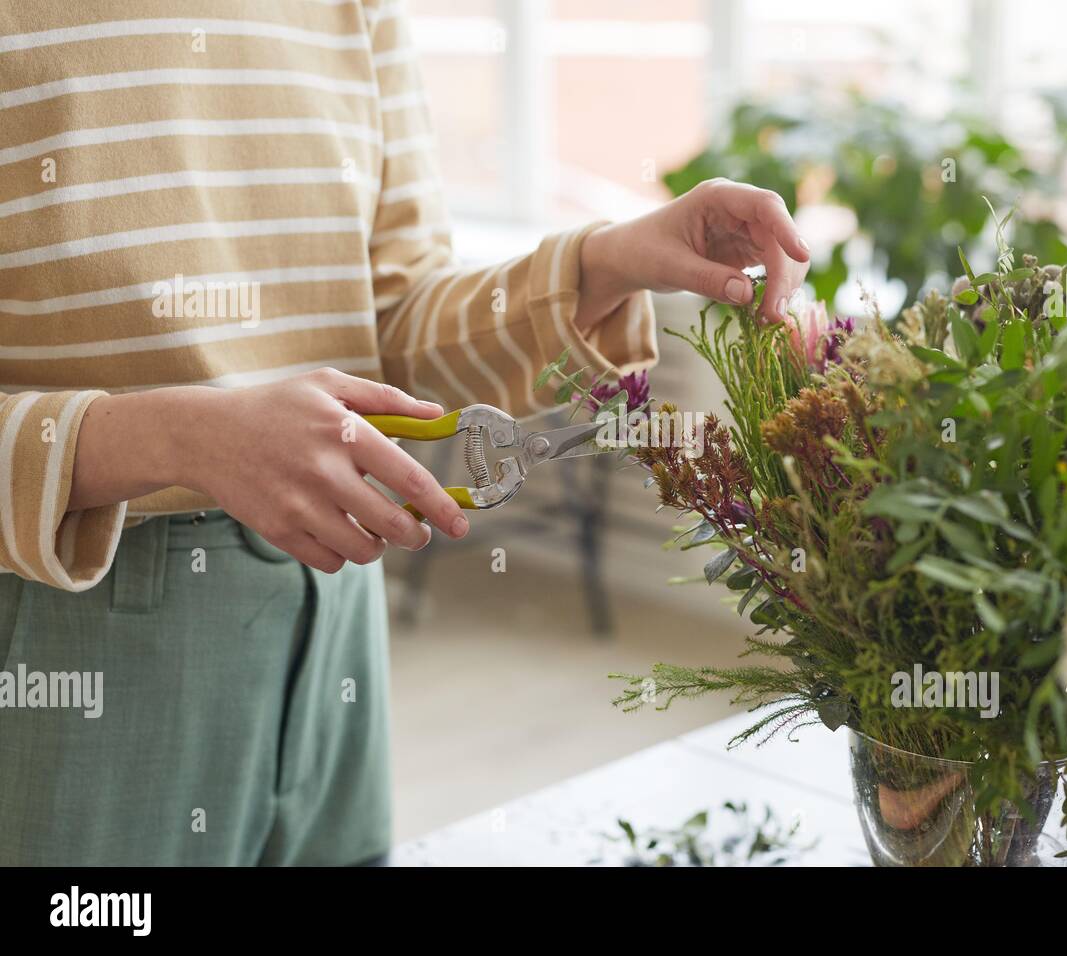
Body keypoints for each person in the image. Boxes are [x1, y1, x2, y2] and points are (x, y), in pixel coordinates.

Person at [0, 2, 810, 864]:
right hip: (74, 621)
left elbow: (393, 322)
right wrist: (178, 438)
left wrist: (604, 264)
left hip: (336, 603)